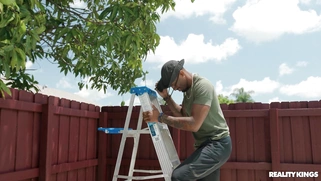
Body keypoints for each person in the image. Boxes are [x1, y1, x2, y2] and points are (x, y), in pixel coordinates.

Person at [142, 59, 232, 181]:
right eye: (172, 86)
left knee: (178, 176)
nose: (175, 87)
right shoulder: (188, 91)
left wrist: (160, 117)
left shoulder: (202, 86)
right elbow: (182, 114)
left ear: (182, 73)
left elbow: (194, 124)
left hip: (218, 144)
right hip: (205, 146)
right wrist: (167, 98)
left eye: (174, 84)